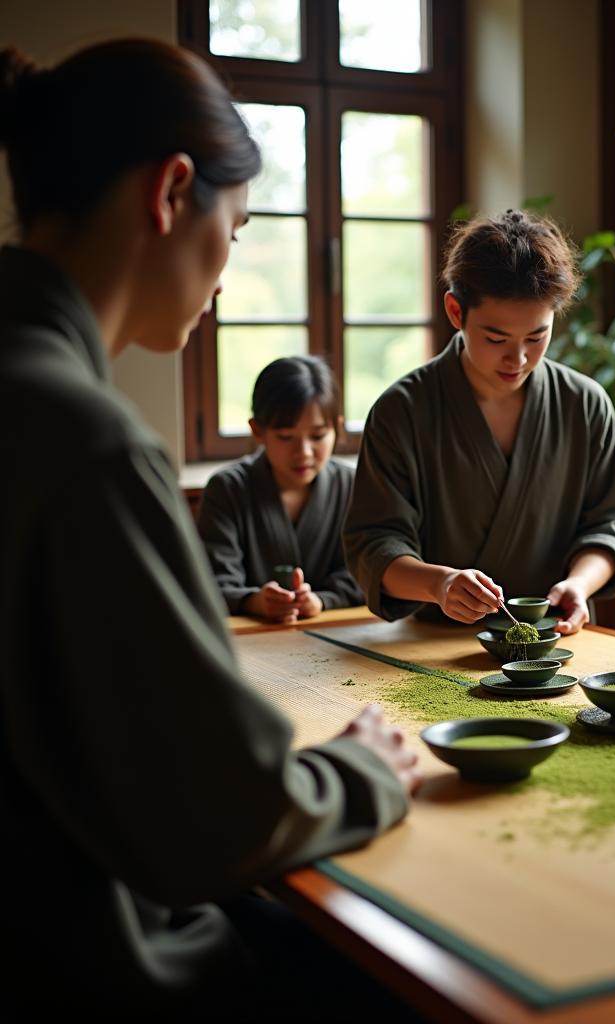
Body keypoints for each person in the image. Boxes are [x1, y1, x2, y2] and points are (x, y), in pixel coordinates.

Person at [0, 39, 419, 1016]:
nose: (226, 272)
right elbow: (216, 817)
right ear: (170, 193)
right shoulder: (82, 436)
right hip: (84, 958)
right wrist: (362, 768)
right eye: (232, 228)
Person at [343, 209, 615, 635]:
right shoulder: (402, 410)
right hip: (433, 640)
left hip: (553, 641)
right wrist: (440, 584)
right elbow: (374, 544)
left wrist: (579, 584)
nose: (517, 359)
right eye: (496, 338)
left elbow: (612, 523)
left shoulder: (585, 405)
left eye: (537, 337)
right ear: (454, 311)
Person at [198, 355, 363, 622]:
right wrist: (254, 601)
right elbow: (211, 581)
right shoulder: (228, 489)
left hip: (335, 631)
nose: (304, 452)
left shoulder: (351, 486)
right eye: (286, 437)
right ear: (257, 431)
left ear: (337, 428)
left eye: (318, 436)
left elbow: (368, 572)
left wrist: (321, 601)